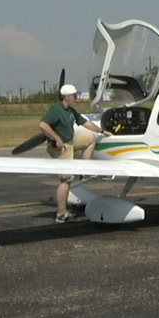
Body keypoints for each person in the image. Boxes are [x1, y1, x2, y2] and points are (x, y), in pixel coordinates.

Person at [38, 85, 106, 222]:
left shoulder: (71, 111)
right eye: (74, 96)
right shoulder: (56, 110)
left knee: (91, 138)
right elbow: (43, 125)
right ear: (67, 97)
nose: (76, 98)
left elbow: (86, 124)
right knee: (66, 180)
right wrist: (56, 138)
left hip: (71, 141)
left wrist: (102, 131)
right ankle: (61, 214)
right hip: (61, 147)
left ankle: (84, 170)